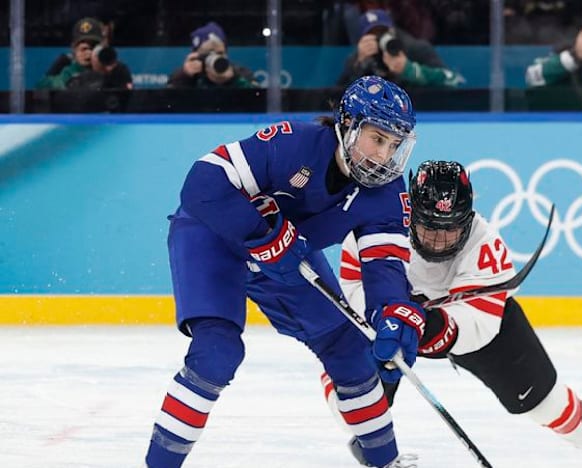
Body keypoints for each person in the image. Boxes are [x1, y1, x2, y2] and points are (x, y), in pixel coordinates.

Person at [145, 76, 425, 468]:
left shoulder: (388, 194)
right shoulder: (294, 142)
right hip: (213, 238)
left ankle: (384, 460)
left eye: (395, 145)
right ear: (348, 124)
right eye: (377, 139)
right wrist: (261, 236)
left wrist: (394, 313)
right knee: (217, 352)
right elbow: (202, 183)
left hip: (287, 257)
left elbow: (385, 267)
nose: (384, 156)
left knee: (349, 349)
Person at [327, 160, 582, 468]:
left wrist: (429, 327)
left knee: (543, 400)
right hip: (386, 320)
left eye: (451, 229)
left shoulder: (486, 245)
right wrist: (389, 321)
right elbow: (354, 292)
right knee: (354, 389)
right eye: (429, 227)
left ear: (469, 218)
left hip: (455, 320)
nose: (439, 240)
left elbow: (479, 325)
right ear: (411, 215)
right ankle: (374, 447)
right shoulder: (378, 227)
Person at [337, 9, 464, 88]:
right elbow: (338, 94)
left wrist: (410, 70)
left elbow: (453, 80)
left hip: (421, 110)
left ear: (392, 30)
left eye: (383, 31)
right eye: (373, 34)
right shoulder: (359, 57)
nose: (378, 37)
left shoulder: (414, 48)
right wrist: (359, 65)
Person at [37, 17, 133, 90]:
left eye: (93, 45)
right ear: (74, 49)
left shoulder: (114, 68)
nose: (88, 51)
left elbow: (127, 98)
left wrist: (105, 73)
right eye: (83, 47)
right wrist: (69, 80)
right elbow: (42, 87)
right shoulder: (68, 69)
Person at [167, 22, 258, 89]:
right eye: (208, 53)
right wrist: (184, 76)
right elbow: (165, 104)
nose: (215, 57)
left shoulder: (240, 73)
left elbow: (258, 100)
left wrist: (232, 79)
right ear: (195, 55)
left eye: (220, 53)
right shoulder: (187, 76)